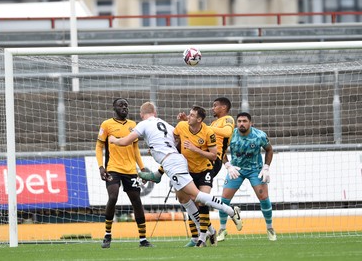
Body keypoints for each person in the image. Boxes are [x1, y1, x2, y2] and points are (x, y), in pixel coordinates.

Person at [109, 101, 243, 247]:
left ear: (142, 115)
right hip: (177, 160)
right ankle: (209, 230)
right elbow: (176, 139)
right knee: (183, 198)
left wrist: (113, 139)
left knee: (196, 196)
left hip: (173, 164)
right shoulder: (165, 124)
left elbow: (125, 142)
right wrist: (154, 148)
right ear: (155, 113)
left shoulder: (143, 124)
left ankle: (231, 211)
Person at [95, 98, 153, 248]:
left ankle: (143, 239)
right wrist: (101, 167)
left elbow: (135, 149)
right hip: (113, 167)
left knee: (136, 201)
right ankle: (107, 235)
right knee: (113, 196)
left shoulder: (133, 125)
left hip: (130, 170)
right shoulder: (106, 124)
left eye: (126, 106)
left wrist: (142, 167)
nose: (124, 108)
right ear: (114, 107)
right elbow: (99, 146)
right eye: (121, 105)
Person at [218, 112, 277, 241]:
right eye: (239, 121)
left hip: (255, 170)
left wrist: (266, 167)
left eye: (244, 121)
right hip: (236, 170)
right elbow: (220, 150)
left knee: (264, 197)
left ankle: (270, 228)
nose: (241, 124)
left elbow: (269, 149)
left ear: (251, 123)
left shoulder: (259, 135)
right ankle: (222, 229)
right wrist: (228, 165)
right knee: (224, 199)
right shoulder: (230, 135)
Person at [174, 106, 221, 247]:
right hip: (187, 171)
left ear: (199, 119)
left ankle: (201, 238)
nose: (189, 117)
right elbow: (174, 138)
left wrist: (195, 149)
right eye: (189, 114)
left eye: (192, 115)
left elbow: (213, 155)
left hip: (205, 170)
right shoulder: (182, 126)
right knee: (189, 203)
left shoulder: (208, 132)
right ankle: (210, 231)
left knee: (202, 200)